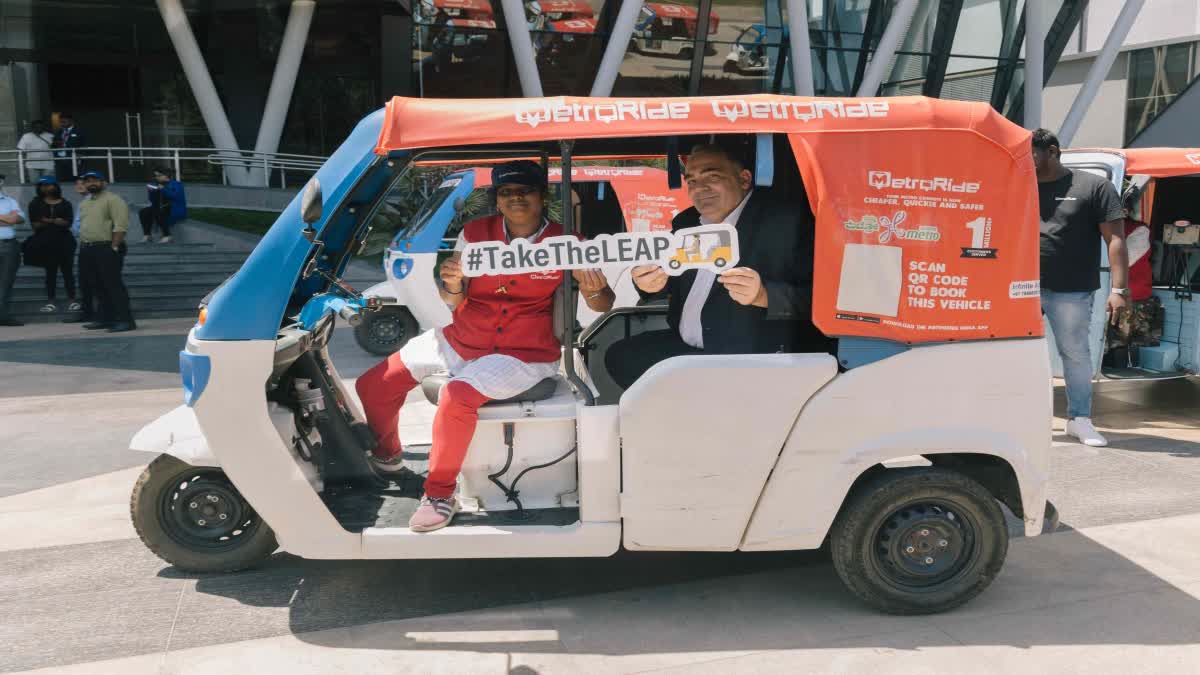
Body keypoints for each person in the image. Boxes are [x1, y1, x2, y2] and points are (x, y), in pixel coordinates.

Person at [354, 160, 614, 533]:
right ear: (497, 200)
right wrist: (454, 283)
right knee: (374, 384)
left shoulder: (569, 242)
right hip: (462, 336)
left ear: (541, 196)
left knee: (456, 395)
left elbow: (604, 303)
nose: (516, 198)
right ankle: (389, 456)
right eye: (507, 193)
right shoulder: (475, 233)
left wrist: (594, 289)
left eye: (525, 190)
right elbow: (453, 300)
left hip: (522, 354)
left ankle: (440, 494)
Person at [604, 142, 823, 389]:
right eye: (692, 181)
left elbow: (823, 299)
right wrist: (647, 282)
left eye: (712, 176)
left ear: (744, 179)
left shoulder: (788, 223)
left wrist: (765, 295)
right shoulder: (686, 221)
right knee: (621, 356)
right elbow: (668, 278)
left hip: (752, 358)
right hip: (687, 350)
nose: (700, 188)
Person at [1033, 129, 1128, 447]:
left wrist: (1119, 289)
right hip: (1021, 288)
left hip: (1071, 289)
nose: (1027, 160)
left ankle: (1079, 420)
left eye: (1033, 153)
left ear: (1053, 151)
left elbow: (1115, 239)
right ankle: (1026, 420)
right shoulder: (1020, 183)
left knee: (1074, 353)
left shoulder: (1093, 186)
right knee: (1022, 355)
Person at [76, 171, 135, 332]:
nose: (91, 183)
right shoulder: (85, 203)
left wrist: (114, 246)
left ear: (103, 182)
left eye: (95, 180)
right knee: (96, 285)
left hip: (108, 246)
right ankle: (105, 318)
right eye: (87, 181)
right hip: (88, 248)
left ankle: (125, 320)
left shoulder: (113, 200)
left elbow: (120, 225)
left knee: (113, 285)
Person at [26, 177, 78, 314]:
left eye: (48, 185)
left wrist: (47, 220)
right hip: (46, 243)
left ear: (55, 186)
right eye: (42, 185)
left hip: (65, 242)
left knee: (68, 272)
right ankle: (51, 302)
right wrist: (56, 221)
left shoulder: (66, 203)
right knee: (51, 273)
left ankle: (72, 301)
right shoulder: (35, 203)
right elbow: (35, 224)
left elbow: (68, 223)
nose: (45, 188)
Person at [63, 177, 95, 323]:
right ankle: (87, 312)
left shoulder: (93, 201)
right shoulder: (82, 202)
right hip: (84, 244)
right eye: (77, 183)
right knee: (84, 281)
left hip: (94, 244)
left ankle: (98, 313)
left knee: (95, 281)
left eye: (83, 183)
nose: (79, 186)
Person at [0, 174, 27, 326]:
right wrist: (7, 218)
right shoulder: (9, 206)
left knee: (6, 282)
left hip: (9, 245)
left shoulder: (10, 201)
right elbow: (10, 220)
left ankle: (2, 315)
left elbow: (19, 219)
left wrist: (10, 219)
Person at [139, 167, 187, 243]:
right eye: (155, 176)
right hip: (161, 208)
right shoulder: (157, 184)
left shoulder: (177, 184)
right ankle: (147, 235)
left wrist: (163, 189)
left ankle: (167, 235)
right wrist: (152, 192)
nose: (156, 177)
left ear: (166, 175)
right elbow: (153, 201)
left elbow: (175, 196)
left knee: (158, 210)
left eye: (159, 175)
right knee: (143, 212)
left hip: (174, 209)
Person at [52, 114, 86, 182]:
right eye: (61, 122)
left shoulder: (79, 131)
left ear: (71, 121)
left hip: (73, 159)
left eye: (64, 122)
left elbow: (85, 144)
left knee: (74, 179)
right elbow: (53, 145)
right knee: (61, 179)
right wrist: (56, 144)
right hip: (59, 159)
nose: (62, 124)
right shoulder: (59, 132)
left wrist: (81, 154)